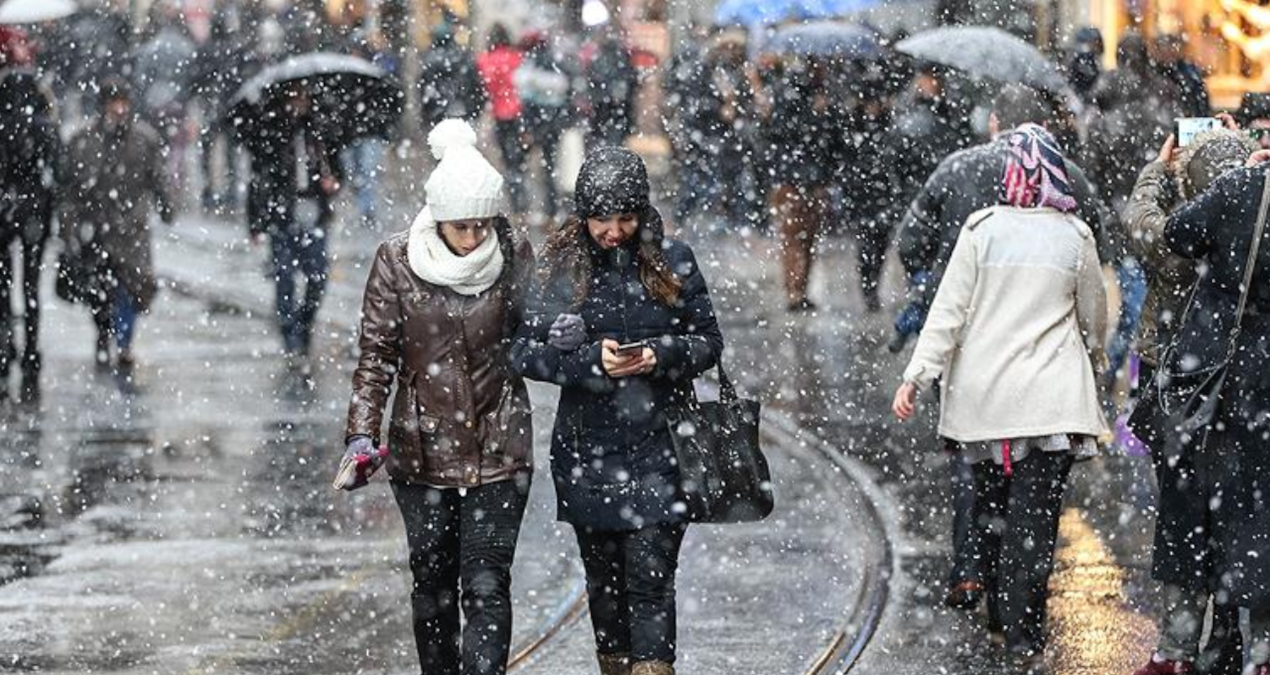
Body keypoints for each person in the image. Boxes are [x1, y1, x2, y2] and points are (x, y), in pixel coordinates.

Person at [893, 124, 1109, 665]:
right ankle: (1023, 634)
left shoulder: (981, 230)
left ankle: (993, 608)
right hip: (1051, 406)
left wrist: (916, 376)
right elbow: (1093, 317)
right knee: (1035, 523)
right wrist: (1096, 360)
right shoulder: (1074, 235)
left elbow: (948, 312)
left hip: (984, 403)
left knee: (990, 510)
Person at [512, 147, 724, 675]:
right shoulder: (560, 269)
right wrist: (589, 362)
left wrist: (659, 355)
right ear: (582, 215)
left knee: (651, 578)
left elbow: (708, 341)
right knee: (603, 582)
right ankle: (617, 664)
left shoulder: (674, 261)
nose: (613, 231)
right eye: (601, 218)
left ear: (642, 212)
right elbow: (521, 351)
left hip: (663, 447)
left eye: (625, 218)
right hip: (589, 453)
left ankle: (653, 667)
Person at [342, 118, 534, 675]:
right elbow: (376, 356)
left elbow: (536, 333)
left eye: (481, 225)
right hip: (420, 453)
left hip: (500, 448)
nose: (473, 238)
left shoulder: (513, 252)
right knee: (432, 586)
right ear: (437, 218)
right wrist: (361, 432)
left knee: (485, 583)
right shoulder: (397, 261)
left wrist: (558, 335)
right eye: (461, 227)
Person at [1125, 126, 1253, 675]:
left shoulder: (1182, 234)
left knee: (1181, 511)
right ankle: (1226, 639)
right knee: (1237, 511)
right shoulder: (1246, 221)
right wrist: (1242, 148)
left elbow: (1139, 223)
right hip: (1239, 384)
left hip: (1174, 385)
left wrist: (1158, 168)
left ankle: (1177, 646)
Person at [60, 78, 174, 373]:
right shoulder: (84, 140)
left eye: (124, 102)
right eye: (115, 103)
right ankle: (102, 335)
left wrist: (166, 206)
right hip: (96, 227)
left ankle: (124, 344)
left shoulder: (144, 139)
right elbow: (71, 188)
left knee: (132, 287)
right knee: (99, 288)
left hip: (131, 228)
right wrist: (69, 227)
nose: (120, 109)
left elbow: (157, 177)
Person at [243, 85, 342, 358]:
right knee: (284, 277)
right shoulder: (272, 133)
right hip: (282, 215)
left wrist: (332, 182)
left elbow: (336, 169)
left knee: (317, 276)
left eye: (304, 96)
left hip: (314, 211)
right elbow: (258, 181)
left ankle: (305, 322)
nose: (300, 102)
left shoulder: (320, 132)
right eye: (295, 96)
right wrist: (255, 222)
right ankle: (289, 333)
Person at [0, 36, 59, 402]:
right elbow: (57, 167)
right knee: (31, 285)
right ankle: (32, 351)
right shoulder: (41, 114)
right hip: (34, 210)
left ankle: (7, 349)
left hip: (4, 210)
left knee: (4, 287)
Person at [761, 56, 843, 312]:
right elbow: (790, 134)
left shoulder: (801, 95)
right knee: (796, 239)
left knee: (805, 239)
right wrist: (819, 116)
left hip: (806, 180)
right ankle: (795, 291)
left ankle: (799, 290)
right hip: (797, 181)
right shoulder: (796, 97)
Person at [515, 30, 573, 222]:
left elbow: (525, 99)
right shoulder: (556, 65)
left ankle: (523, 208)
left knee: (522, 166)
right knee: (549, 168)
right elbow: (566, 96)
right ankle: (551, 210)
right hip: (552, 125)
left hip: (535, 122)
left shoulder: (529, 67)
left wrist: (526, 127)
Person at [477, 24, 527, 218]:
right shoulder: (517, 58)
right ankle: (522, 201)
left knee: (507, 160)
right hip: (519, 114)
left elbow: (484, 88)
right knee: (519, 160)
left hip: (500, 115)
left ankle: (516, 204)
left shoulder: (485, 61)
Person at [418, 24, 486, 129]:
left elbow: (425, 89)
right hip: (462, 111)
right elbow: (475, 85)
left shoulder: (429, 60)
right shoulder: (462, 56)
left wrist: (425, 114)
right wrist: (476, 109)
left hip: (437, 113)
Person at [1154, 34, 1210, 119]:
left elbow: (1199, 102)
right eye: (1163, 49)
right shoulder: (1154, 72)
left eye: (1169, 48)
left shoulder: (1188, 73)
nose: (1167, 52)